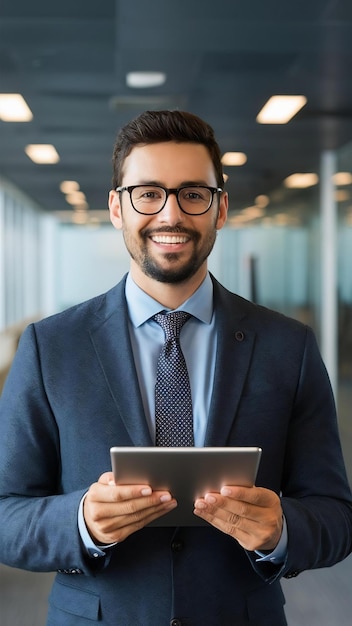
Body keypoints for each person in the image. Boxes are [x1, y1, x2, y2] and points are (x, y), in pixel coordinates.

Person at [0, 110, 351, 626]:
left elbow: (337, 516)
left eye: (193, 193)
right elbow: (6, 514)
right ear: (117, 207)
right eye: (148, 193)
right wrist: (81, 522)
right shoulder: (51, 346)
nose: (171, 214)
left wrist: (282, 529)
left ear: (221, 208)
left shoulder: (288, 345)